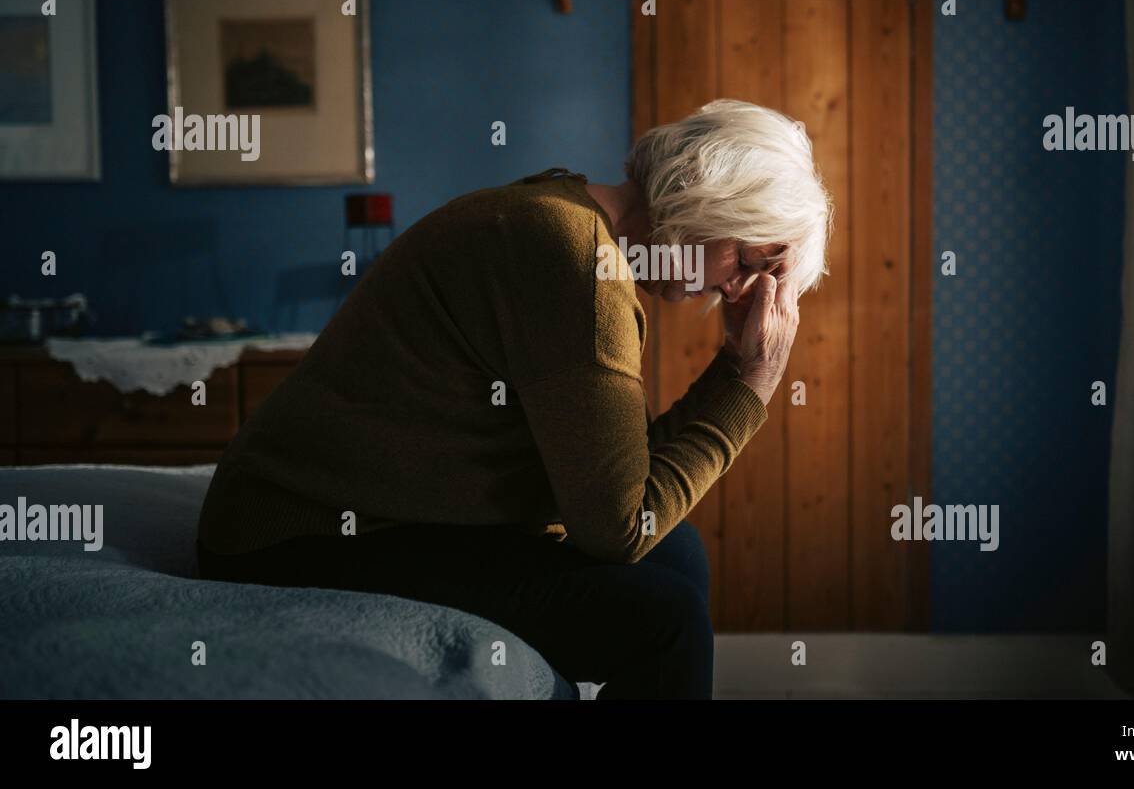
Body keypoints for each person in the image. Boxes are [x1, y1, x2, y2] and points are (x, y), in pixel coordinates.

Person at [194, 98, 833, 699]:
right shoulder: (577, 261)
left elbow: (621, 490)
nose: (737, 291)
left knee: (680, 551)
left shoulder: (569, 217)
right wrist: (749, 382)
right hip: (297, 531)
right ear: (706, 192)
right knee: (665, 622)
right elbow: (619, 527)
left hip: (376, 509)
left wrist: (733, 374)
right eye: (748, 258)